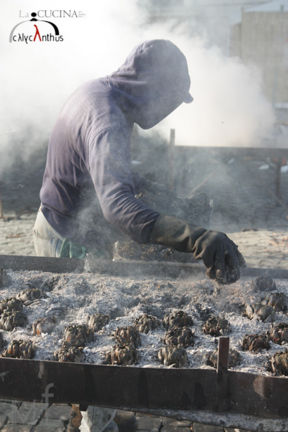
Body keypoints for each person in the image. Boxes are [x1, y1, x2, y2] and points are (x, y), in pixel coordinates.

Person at [33, 39, 245, 432]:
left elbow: (105, 174)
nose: (169, 110)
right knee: (88, 342)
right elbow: (115, 207)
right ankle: (97, 421)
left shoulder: (97, 92)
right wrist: (197, 238)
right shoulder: (107, 117)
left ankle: (101, 412)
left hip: (59, 224)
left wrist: (168, 198)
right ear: (152, 86)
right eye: (171, 98)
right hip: (67, 239)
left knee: (91, 339)